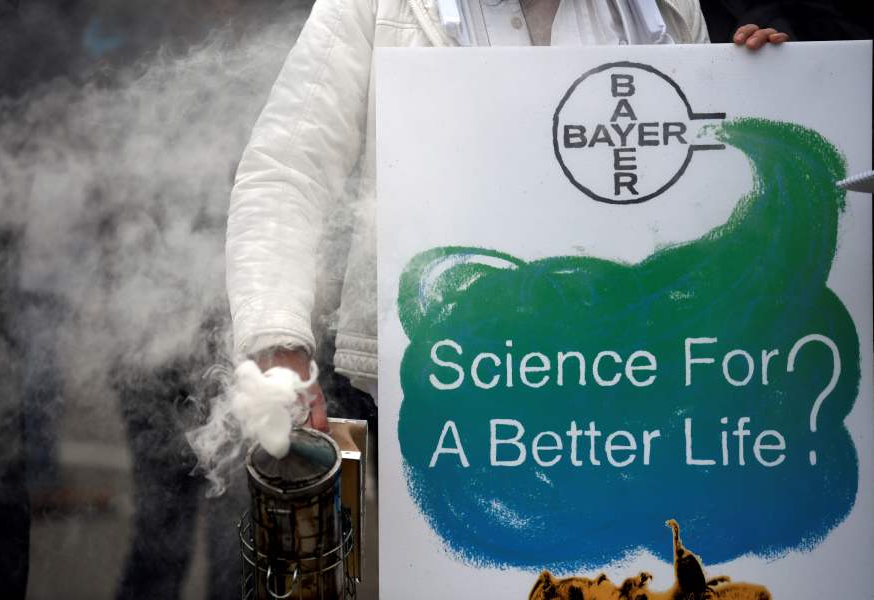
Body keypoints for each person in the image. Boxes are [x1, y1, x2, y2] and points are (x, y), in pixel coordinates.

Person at [226, 0, 788, 417]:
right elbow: (287, 169)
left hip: (628, 392)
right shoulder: (377, 6)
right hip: (429, 388)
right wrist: (279, 348)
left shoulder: (665, 9)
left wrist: (759, 89)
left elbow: (695, 201)